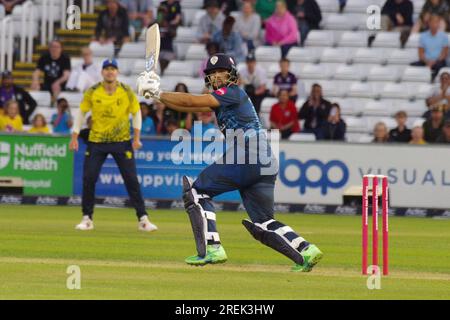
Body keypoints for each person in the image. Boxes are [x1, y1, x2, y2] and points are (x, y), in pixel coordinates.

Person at [137, 53, 323, 272]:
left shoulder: (232, 92)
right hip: (264, 161)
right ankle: (306, 250)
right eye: (212, 73)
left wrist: (158, 93)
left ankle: (212, 248)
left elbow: (193, 100)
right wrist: (156, 95)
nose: (216, 77)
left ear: (232, 74)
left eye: (220, 72)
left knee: (196, 192)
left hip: (247, 154)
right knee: (263, 222)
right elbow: (191, 106)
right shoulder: (223, 99)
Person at [69, 59, 158, 232]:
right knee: (89, 179)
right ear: (102, 72)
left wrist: (137, 138)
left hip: (121, 141)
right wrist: (74, 137)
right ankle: (87, 219)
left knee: (131, 180)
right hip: (97, 141)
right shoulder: (93, 91)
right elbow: (81, 113)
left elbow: (136, 112)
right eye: (107, 69)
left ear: (117, 72)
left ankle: (143, 220)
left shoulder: (126, 91)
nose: (110, 72)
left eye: (113, 69)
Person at [411, 15, 448, 82]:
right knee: (412, 66)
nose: (434, 24)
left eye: (436, 22)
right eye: (433, 22)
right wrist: (427, 61)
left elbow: (444, 54)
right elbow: (421, 53)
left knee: (438, 66)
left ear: (439, 23)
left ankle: (432, 79)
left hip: (439, 61)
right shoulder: (423, 36)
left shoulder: (444, 36)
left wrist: (434, 62)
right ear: (429, 23)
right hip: (426, 61)